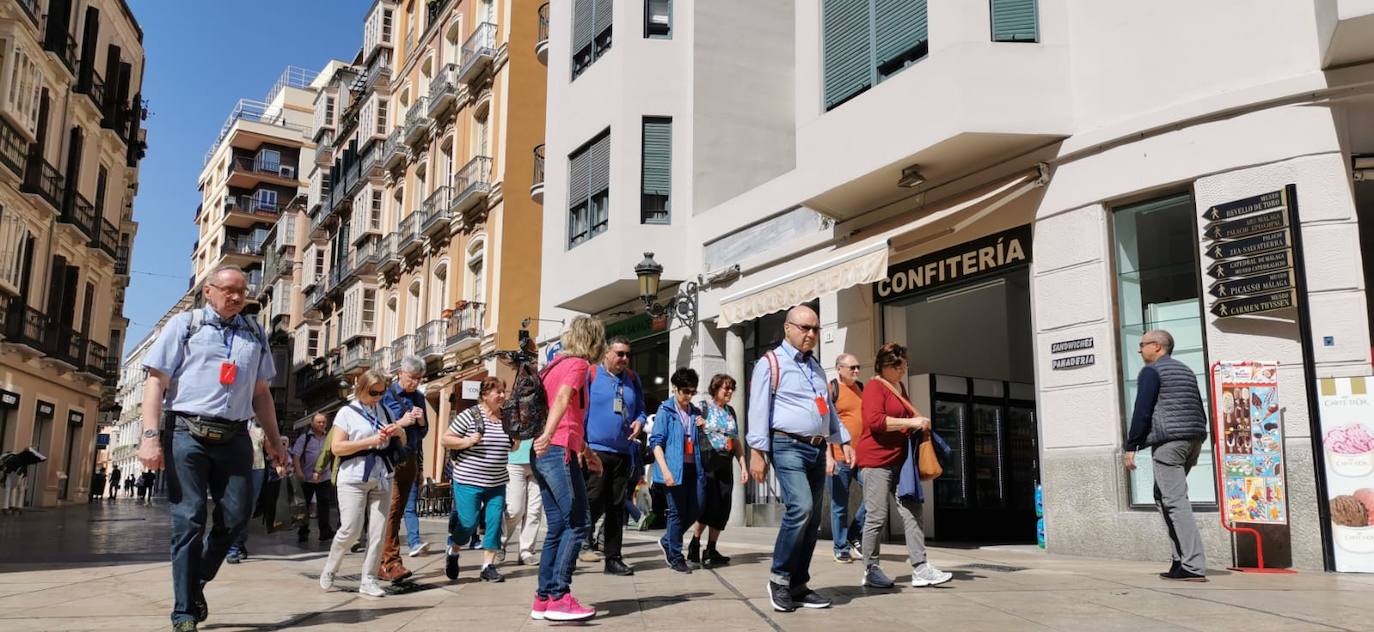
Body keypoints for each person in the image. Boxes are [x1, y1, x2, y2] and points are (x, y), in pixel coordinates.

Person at [138, 265, 289, 632]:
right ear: (209, 291)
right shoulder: (185, 326)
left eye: (242, 292)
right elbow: (156, 382)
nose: (236, 297)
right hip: (186, 433)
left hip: (235, 435)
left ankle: (197, 579)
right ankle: (184, 611)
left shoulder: (254, 332)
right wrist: (149, 436)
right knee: (188, 519)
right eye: (228, 290)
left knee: (237, 517)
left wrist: (273, 440)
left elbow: (261, 393)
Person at [747, 304, 853, 613]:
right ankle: (779, 579)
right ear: (787, 328)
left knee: (812, 521)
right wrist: (757, 452)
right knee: (801, 507)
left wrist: (841, 439)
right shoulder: (771, 363)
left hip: (817, 448)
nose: (810, 334)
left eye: (815, 329)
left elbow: (826, 407)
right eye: (804, 328)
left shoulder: (816, 366)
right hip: (787, 445)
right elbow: (758, 409)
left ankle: (798, 585)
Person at [856, 342, 951, 589]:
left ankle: (920, 568)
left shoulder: (899, 387)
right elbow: (875, 422)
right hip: (876, 461)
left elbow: (906, 418)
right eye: (898, 367)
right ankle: (870, 568)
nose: (902, 371)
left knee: (913, 510)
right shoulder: (874, 387)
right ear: (884, 366)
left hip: (901, 461)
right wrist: (911, 423)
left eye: (904, 366)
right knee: (876, 517)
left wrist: (917, 423)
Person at [529, 316, 605, 622]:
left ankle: (543, 599)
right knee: (579, 522)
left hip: (547, 451)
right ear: (594, 341)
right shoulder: (578, 365)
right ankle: (560, 597)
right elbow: (562, 401)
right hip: (555, 449)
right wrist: (549, 435)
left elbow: (570, 415)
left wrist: (586, 452)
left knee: (558, 527)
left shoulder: (552, 366)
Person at [319, 369, 413, 598]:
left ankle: (368, 579)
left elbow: (403, 441)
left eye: (382, 392)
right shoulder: (346, 413)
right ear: (361, 388)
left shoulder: (386, 410)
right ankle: (331, 567)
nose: (378, 396)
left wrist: (400, 431)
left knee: (378, 532)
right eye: (374, 392)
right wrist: (370, 441)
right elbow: (337, 448)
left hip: (382, 475)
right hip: (353, 477)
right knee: (350, 530)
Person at [1124, 329, 1209, 582]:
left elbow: (1142, 410)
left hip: (1169, 443)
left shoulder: (1151, 372)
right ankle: (1179, 560)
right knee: (1163, 496)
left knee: (1174, 501)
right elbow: (1198, 406)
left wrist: (1132, 446)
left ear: (1157, 347)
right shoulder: (1185, 370)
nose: (1139, 350)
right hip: (1192, 440)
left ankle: (1192, 565)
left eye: (1142, 345)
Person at [578, 336, 645, 576]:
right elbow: (579, 409)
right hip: (594, 451)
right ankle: (575, 545)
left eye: (627, 354)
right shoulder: (591, 374)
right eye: (620, 354)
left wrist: (639, 421)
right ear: (606, 353)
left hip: (623, 452)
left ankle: (613, 558)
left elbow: (641, 410)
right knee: (592, 501)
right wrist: (580, 446)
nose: (624, 359)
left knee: (617, 508)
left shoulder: (633, 379)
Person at [442, 377, 514, 582]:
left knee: (493, 523)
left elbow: (513, 446)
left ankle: (488, 566)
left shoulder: (506, 418)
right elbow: (445, 439)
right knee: (468, 523)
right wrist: (466, 441)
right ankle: (454, 550)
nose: (501, 396)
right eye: (497, 392)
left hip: (497, 481)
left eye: (503, 391)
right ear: (484, 395)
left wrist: (515, 438)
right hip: (468, 480)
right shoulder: (470, 416)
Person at [376, 356, 429, 582]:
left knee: (397, 511)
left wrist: (420, 422)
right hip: (392, 460)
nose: (415, 383)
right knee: (393, 510)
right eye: (411, 378)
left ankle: (385, 560)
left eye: (418, 379)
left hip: (410, 459)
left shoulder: (419, 397)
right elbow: (380, 429)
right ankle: (389, 562)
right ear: (400, 373)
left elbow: (423, 433)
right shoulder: (386, 395)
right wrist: (402, 423)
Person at [649, 368, 705, 574]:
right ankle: (675, 555)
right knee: (676, 513)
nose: (689, 396)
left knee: (697, 508)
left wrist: (703, 427)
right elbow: (656, 443)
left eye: (692, 392)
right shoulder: (666, 411)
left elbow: (704, 442)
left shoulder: (696, 412)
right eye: (685, 391)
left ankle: (667, 540)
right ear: (675, 389)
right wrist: (665, 471)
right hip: (672, 469)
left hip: (693, 468)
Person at [690, 374, 747, 568]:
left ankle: (711, 548)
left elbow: (736, 440)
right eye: (726, 388)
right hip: (708, 462)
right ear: (715, 389)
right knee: (708, 505)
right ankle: (695, 543)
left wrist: (743, 465)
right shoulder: (702, 408)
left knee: (723, 506)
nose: (730, 392)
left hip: (725, 462)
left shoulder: (731, 411)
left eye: (732, 388)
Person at [829, 353, 867, 563]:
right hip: (839, 456)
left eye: (857, 367)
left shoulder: (861, 388)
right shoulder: (831, 389)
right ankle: (841, 547)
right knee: (839, 505)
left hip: (862, 457)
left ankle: (854, 532)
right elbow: (823, 423)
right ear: (839, 368)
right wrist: (828, 456)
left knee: (874, 494)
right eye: (851, 367)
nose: (856, 371)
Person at [504, 416, 543, 567]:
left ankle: (526, 551)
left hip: (539, 460)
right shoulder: (513, 406)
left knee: (535, 510)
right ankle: (500, 542)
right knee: (515, 509)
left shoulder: (544, 404)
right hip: (515, 460)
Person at [226, 421, 268, 564]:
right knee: (237, 507)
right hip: (236, 466)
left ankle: (239, 542)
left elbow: (268, 447)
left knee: (249, 509)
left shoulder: (261, 425)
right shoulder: (235, 421)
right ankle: (232, 548)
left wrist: (278, 460)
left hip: (257, 468)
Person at [293, 413, 336, 543]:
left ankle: (325, 532)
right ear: (312, 424)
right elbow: (296, 456)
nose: (321, 424)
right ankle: (303, 532)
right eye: (318, 422)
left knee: (324, 505)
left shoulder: (329, 437)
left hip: (325, 477)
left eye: (323, 422)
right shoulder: (304, 438)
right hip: (307, 478)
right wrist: (299, 471)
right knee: (304, 506)